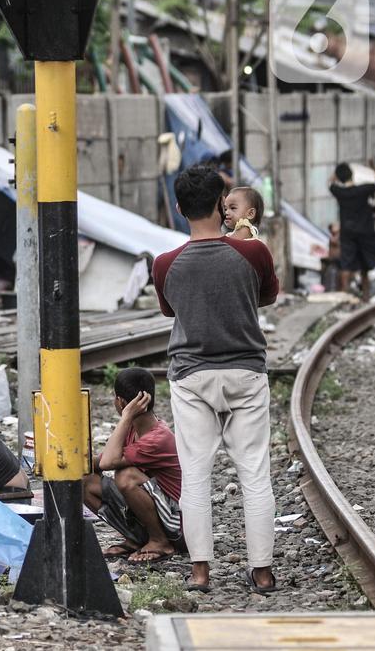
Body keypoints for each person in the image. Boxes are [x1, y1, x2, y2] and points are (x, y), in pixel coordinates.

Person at [152, 164, 279, 595]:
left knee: (195, 475)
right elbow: (266, 296)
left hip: (191, 377)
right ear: (221, 205)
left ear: (178, 208)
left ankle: (200, 573)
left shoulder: (165, 264)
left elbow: (170, 310)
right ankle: (262, 573)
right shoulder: (254, 253)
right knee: (254, 473)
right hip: (246, 373)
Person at [82, 368, 185, 565]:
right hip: (161, 514)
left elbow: (107, 462)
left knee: (126, 476)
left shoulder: (157, 438)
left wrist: (125, 417)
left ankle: (159, 542)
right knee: (85, 481)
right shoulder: (132, 429)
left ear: (120, 402)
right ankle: (136, 539)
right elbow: (100, 462)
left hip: (179, 525)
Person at [329, 160, 375, 301]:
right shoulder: (364, 189)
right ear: (352, 174)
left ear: (339, 177)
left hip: (348, 233)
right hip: (366, 232)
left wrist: (336, 174)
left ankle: (345, 296)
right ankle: (365, 296)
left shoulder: (339, 192)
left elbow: (330, 183)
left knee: (347, 264)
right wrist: (374, 167)